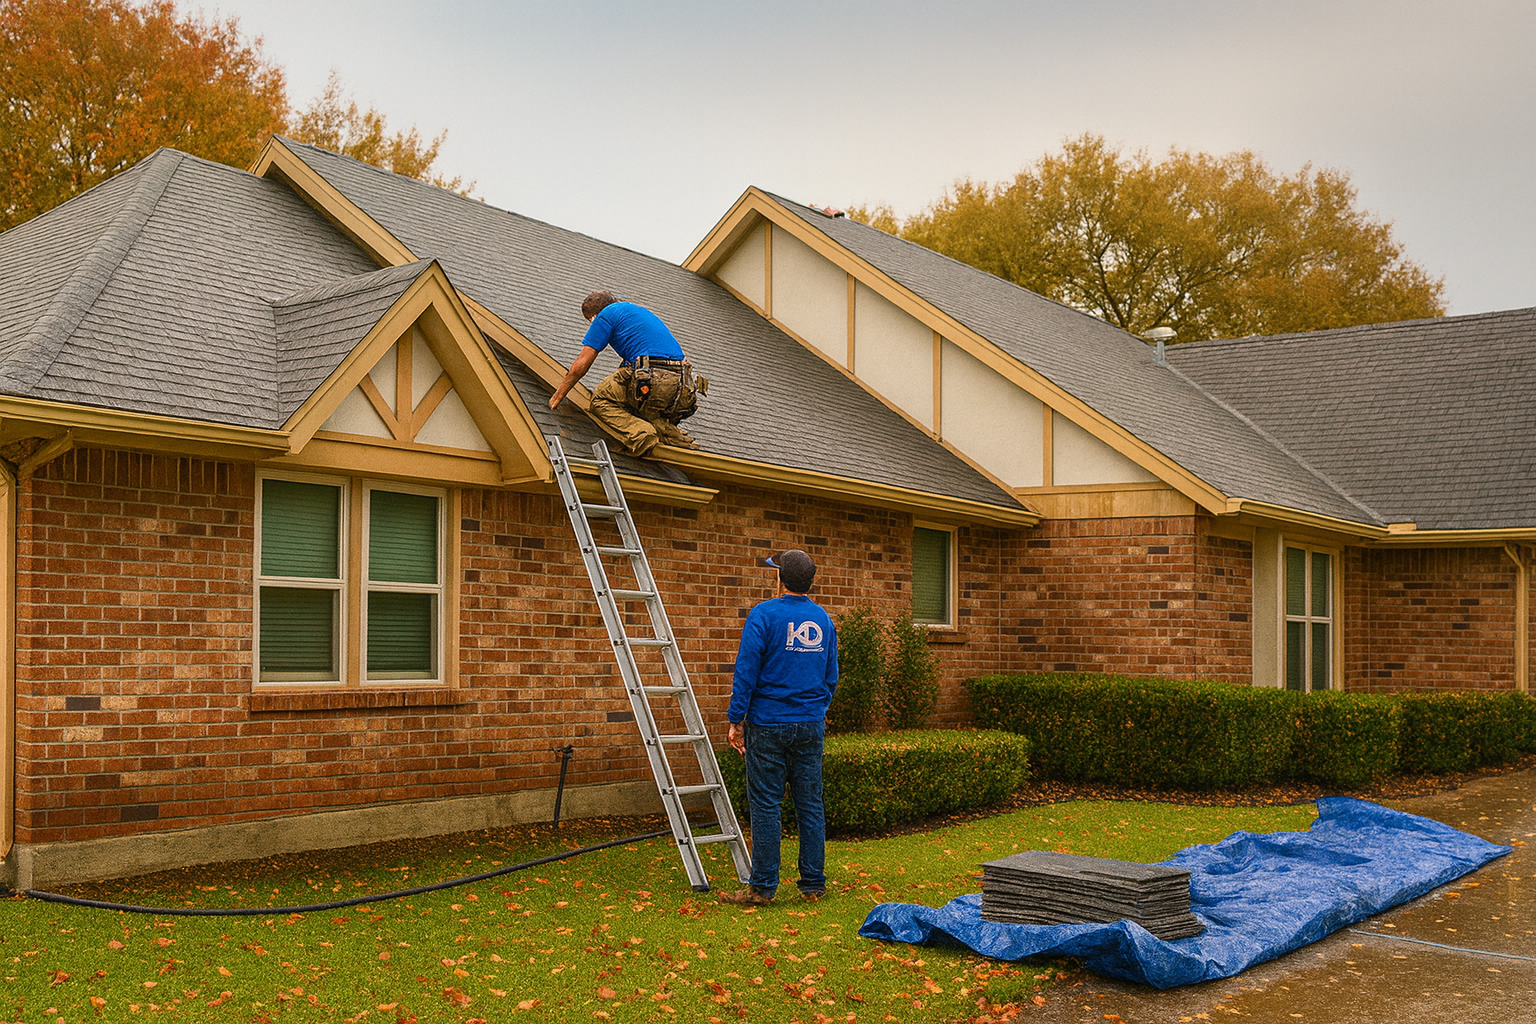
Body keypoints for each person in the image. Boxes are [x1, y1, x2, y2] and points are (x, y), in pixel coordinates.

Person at [721, 549, 839, 905]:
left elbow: (746, 672)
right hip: (809, 726)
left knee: (767, 805)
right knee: (810, 805)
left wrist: (735, 720)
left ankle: (762, 888)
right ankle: (813, 885)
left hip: (768, 724)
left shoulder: (763, 615)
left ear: (780, 578)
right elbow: (831, 678)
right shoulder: (823, 620)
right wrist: (816, 711)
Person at [547, 290, 703, 457]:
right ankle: (668, 432)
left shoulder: (605, 315)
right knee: (632, 395)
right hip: (683, 389)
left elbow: (582, 364)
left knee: (601, 398)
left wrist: (558, 396)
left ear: (593, 316)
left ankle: (643, 435)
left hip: (655, 379)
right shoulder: (638, 311)